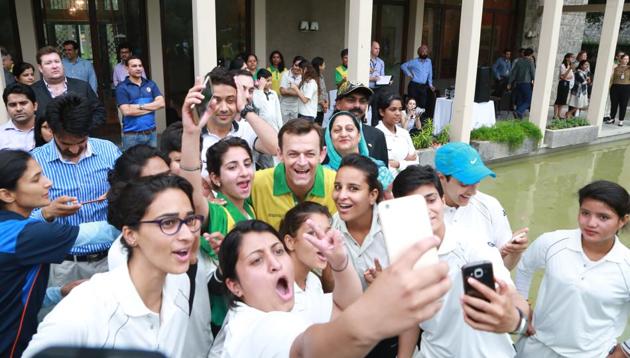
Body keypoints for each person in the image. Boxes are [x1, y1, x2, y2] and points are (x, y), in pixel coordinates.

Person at [212, 219, 451, 357]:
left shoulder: (294, 298)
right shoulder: (255, 328)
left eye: (277, 252)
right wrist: (377, 311)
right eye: (256, 260)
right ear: (234, 286)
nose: (274, 264)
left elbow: (343, 304)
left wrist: (339, 263)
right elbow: (309, 348)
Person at [23, 175, 200, 357]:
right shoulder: (85, 307)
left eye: (190, 220)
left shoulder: (179, 282)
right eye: (168, 223)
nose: (187, 235)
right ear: (130, 235)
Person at [392, 165, 531, 358]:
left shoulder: (471, 247)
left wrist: (516, 321)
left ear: (442, 200)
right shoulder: (403, 255)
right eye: (413, 205)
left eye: (431, 200)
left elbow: (513, 295)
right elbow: (412, 316)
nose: (425, 210)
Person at [0, 149, 119, 358]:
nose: (49, 183)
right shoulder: (25, 234)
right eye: (36, 179)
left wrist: (58, 293)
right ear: (6, 194)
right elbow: (102, 233)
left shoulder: (11, 228)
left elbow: (10, 294)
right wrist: (138, 206)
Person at [515, 180, 630, 358]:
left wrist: (624, 351)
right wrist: (522, 306)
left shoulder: (626, 264)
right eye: (585, 213)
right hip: (535, 347)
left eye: (603, 217)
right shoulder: (553, 242)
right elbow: (525, 267)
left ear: (623, 220)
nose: (591, 223)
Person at [30, 94, 121, 302]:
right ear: (51, 131)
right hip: (63, 265)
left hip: (109, 258)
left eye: (80, 142)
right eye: (65, 143)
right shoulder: (35, 162)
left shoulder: (109, 151)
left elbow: (132, 196)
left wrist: (116, 194)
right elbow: (21, 219)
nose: (73, 149)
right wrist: (48, 212)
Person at [331, 154, 414, 357]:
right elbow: (328, 292)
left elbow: (411, 303)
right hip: (348, 339)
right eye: (338, 186)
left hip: (391, 336)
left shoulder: (396, 227)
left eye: (353, 188)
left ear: (372, 194)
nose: (341, 196)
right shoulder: (330, 231)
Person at [435, 142, 528, 270]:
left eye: (476, 181)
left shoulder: (490, 206)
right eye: (465, 183)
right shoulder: (426, 212)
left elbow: (504, 268)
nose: (472, 192)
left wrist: (515, 252)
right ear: (442, 178)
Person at [250, 118, 337, 230]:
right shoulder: (256, 183)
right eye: (293, 154)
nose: (302, 162)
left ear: (322, 154)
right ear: (280, 154)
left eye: (309, 154)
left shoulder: (337, 185)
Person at [198, 67, 278, 176]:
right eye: (216, 100)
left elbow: (277, 147)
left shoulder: (246, 129)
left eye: (230, 100)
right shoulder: (193, 136)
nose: (224, 108)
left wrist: (244, 108)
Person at [31, 46, 105, 130]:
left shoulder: (82, 86)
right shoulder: (32, 91)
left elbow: (99, 112)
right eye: (48, 63)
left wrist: (84, 128)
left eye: (57, 61)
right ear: (40, 68)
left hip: (81, 139)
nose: (54, 66)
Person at [326, 111, 393, 190]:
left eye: (349, 129)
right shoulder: (323, 174)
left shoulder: (379, 171)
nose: (343, 134)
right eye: (337, 130)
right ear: (329, 138)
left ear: (359, 135)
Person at [115, 56, 165, 150]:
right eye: (134, 66)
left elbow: (161, 103)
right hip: (132, 135)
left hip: (151, 133)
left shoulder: (151, 84)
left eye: (140, 65)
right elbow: (126, 111)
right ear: (127, 68)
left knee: (151, 163)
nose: (138, 68)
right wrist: (152, 107)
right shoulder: (122, 87)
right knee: (132, 164)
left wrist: (139, 107)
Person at [334, 81, 389, 163]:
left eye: (362, 101)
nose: (357, 105)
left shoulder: (377, 136)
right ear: (338, 104)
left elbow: (383, 171)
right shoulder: (322, 136)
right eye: (351, 100)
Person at [373, 92, 417, 176]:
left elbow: (415, 161)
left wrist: (398, 164)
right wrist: (406, 161)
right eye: (393, 109)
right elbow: (381, 168)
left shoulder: (404, 133)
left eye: (400, 109)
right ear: (382, 112)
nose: (398, 113)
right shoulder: (375, 134)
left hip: (408, 182)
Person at [253, 68, 282, 168]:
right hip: (261, 129)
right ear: (261, 81)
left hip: (274, 127)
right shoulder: (256, 93)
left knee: (275, 153)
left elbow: (278, 112)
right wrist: (260, 88)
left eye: (270, 80)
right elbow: (258, 105)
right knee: (264, 154)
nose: (269, 83)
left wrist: (280, 128)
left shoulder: (273, 93)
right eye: (267, 81)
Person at [0, 83, 37, 151]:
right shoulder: (1, 134)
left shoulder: (49, 129)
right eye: (13, 105)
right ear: (6, 108)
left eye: (23, 103)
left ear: (35, 106)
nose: (18, 109)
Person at [401, 45, 435, 114]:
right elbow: (403, 66)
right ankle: (410, 121)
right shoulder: (414, 62)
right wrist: (409, 74)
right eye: (423, 51)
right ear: (419, 52)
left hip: (423, 86)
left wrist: (430, 84)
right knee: (412, 104)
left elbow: (430, 73)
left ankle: (418, 122)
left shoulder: (429, 61)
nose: (424, 53)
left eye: (426, 51)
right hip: (414, 86)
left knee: (422, 105)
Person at [508, 48, 535, 119]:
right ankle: (519, 112)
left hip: (518, 83)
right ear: (531, 54)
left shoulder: (518, 61)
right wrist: (534, 81)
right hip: (526, 83)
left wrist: (509, 82)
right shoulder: (530, 62)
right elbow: (533, 73)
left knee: (520, 100)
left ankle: (518, 118)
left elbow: (513, 73)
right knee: (529, 100)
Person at [605, 54, 630, 127]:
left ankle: (621, 120)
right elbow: (611, 77)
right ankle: (612, 118)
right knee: (614, 103)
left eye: (627, 59)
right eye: (624, 59)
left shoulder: (629, 68)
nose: (626, 60)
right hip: (615, 86)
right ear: (621, 59)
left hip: (626, 87)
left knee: (623, 104)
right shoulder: (615, 67)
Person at [279, 55, 305, 123]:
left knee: (294, 127)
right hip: (284, 106)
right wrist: (298, 92)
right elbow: (282, 91)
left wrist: (288, 90)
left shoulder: (303, 76)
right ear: (292, 64)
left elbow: (303, 94)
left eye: (300, 66)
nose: (298, 68)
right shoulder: (285, 74)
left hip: (296, 107)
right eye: (296, 65)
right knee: (283, 127)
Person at [553, 53, 575, 120]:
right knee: (559, 99)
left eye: (573, 58)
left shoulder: (570, 66)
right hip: (562, 83)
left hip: (568, 83)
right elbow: (563, 76)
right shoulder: (563, 65)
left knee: (563, 100)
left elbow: (570, 77)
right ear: (567, 58)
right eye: (571, 57)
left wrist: (567, 76)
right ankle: (555, 115)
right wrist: (569, 70)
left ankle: (559, 114)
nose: (572, 59)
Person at [312, 56, 329, 126]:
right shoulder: (313, 77)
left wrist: (326, 103)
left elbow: (324, 91)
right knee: (315, 127)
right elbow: (314, 94)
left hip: (321, 108)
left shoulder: (321, 76)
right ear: (319, 66)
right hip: (315, 109)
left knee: (319, 127)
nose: (325, 66)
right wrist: (322, 103)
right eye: (324, 64)